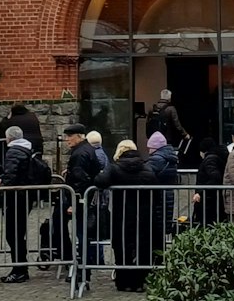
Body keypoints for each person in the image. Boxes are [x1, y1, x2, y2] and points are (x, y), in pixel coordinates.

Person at [98, 138, 159, 291]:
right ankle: (139, 282)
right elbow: (157, 191)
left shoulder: (115, 168)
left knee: (122, 246)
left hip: (122, 214)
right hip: (143, 215)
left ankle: (123, 281)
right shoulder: (146, 168)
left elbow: (100, 181)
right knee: (142, 247)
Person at [0, 127, 48, 283]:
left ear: (9, 138)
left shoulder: (13, 152)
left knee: (13, 234)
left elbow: (11, 174)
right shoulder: (27, 149)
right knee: (17, 233)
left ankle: (19, 269)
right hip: (25, 196)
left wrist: (2, 188)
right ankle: (20, 267)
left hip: (16, 197)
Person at [62, 124, 105, 286]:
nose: (67, 140)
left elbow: (80, 180)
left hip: (81, 200)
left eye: (70, 136)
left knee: (82, 235)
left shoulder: (80, 153)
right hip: (85, 198)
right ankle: (83, 270)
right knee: (84, 235)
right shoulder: (87, 149)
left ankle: (83, 271)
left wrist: (75, 201)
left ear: (79, 136)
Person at [144, 130, 182, 239]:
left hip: (157, 197)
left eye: (150, 148)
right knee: (163, 224)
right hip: (168, 194)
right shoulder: (170, 158)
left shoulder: (157, 159)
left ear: (155, 148)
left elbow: (146, 173)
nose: (149, 151)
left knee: (156, 227)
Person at [192, 131, 227, 226]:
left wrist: (200, 192)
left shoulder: (209, 160)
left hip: (208, 201)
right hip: (213, 199)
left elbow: (215, 178)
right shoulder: (218, 157)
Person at [147, 90, 192, 162]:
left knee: (154, 155)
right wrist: (185, 134)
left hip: (153, 138)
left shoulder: (152, 109)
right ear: (169, 98)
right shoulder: (171, 109)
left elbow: (148, 124)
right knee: (166, 156)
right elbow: (177, 125)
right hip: (166, 137)